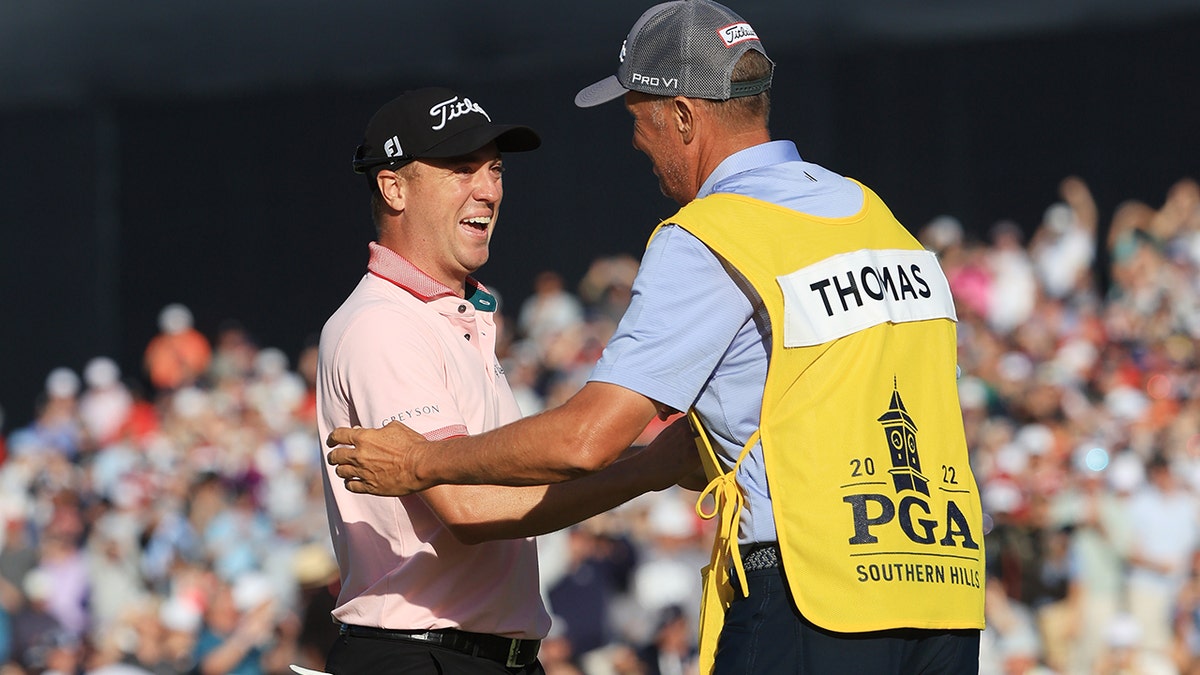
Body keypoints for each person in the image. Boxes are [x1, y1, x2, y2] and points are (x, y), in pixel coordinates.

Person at [326, 2, 987, 671]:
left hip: (816, 591)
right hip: (945, 595)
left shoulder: (712, 232)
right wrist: (653, 467)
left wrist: (418, 463)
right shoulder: (879, 219)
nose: (636, 139)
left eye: (636, 114)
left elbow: (587, 438)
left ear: (682, 116)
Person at [316, 86, 699, 675]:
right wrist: (650, 469)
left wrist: (649, 466)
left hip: (478, 655)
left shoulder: (452, 314)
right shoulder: (382, 324)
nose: (489, 190)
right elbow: (471, 510)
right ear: (393, 187)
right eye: (459, 169)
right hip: (421, 654)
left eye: (494, 169)